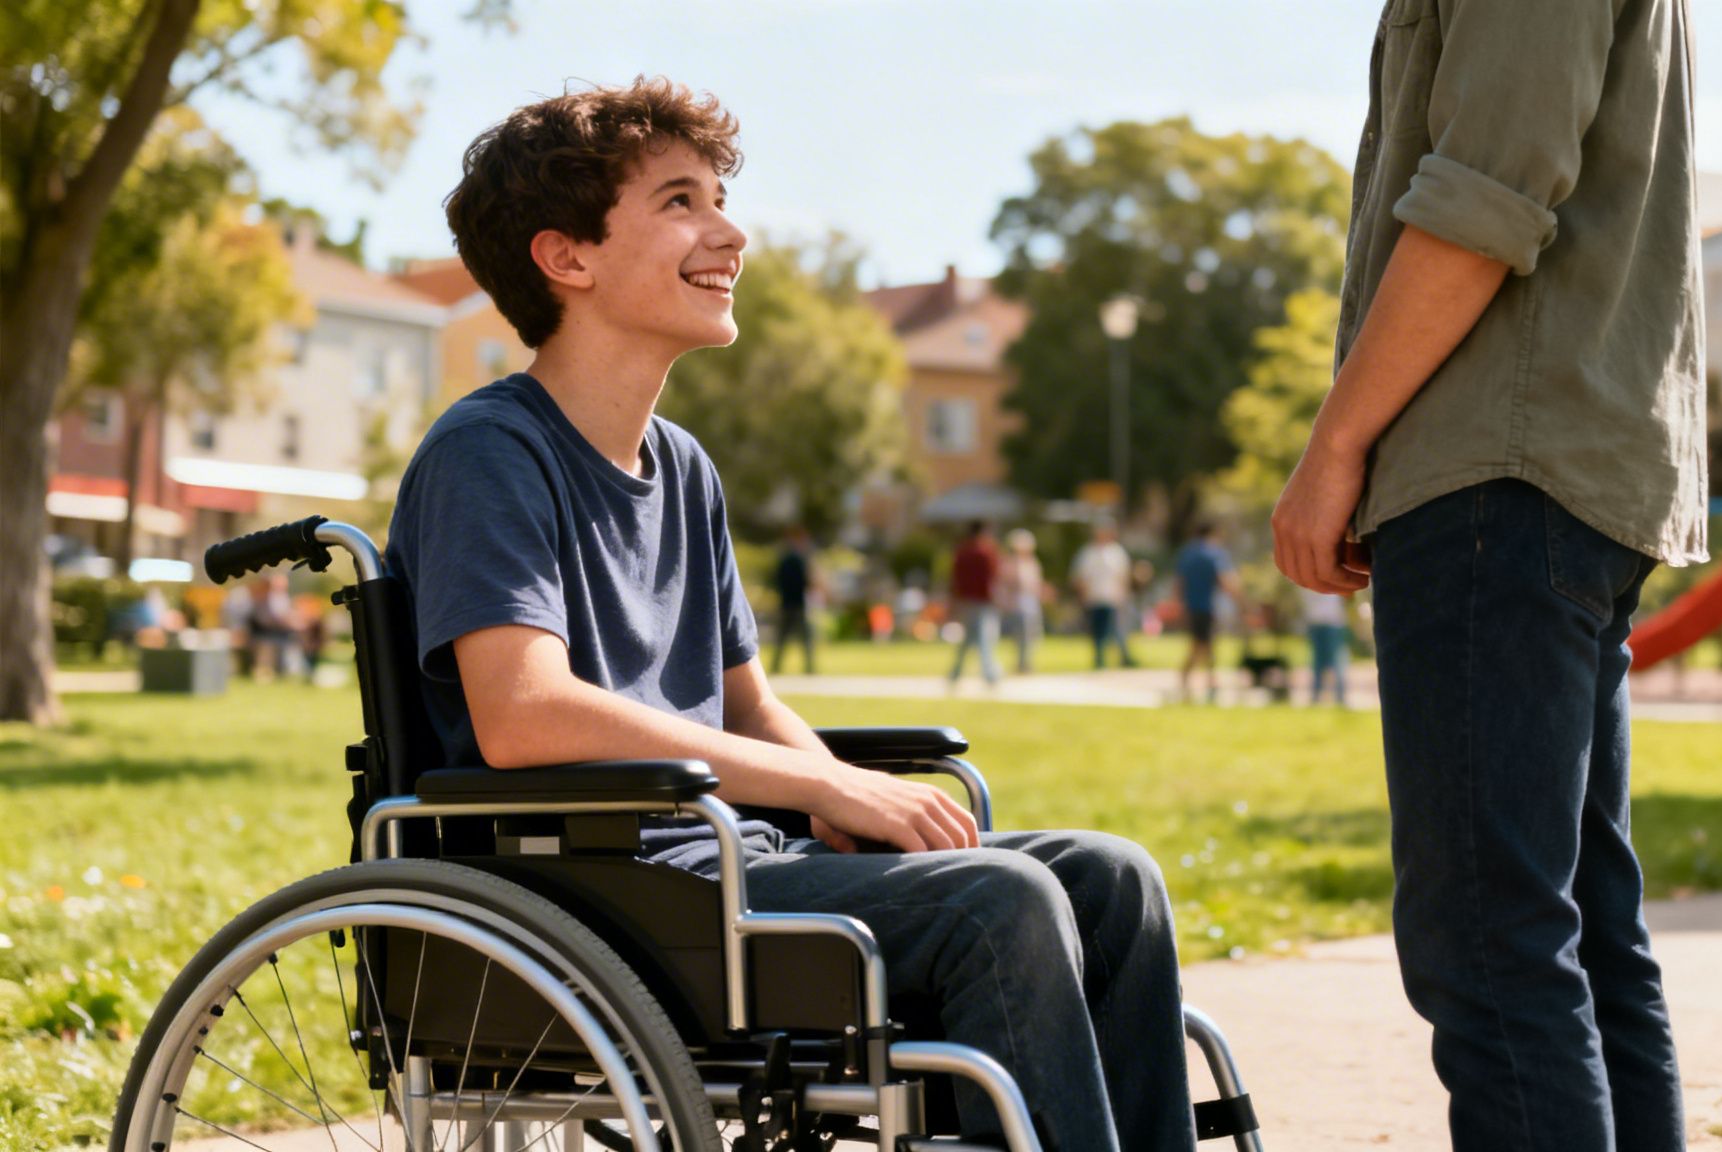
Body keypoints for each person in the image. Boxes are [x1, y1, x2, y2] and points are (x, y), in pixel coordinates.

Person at [385, 79, 1192, 1151]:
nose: (730, 231)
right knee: (999, 905)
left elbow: (746, 706)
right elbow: (523, 714)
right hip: (592, 888)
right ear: (565, 257)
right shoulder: (490, 452)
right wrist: (816, 783)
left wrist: (850, 796)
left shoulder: (681, 469)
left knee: (1108, 880)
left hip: (717, 866)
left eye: (720, 197)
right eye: (681, 201)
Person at [1270, 1, 1704, 1147]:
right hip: (1557, 470)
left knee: (1488, 939)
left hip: (1495, 471)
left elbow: (1483, 200)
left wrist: (1335, 448)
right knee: (1578, 932)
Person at [1173, 523, 1239, 704]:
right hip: (1207, 606)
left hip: (1192, 606)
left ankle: (1205, 683)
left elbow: (1179, 582)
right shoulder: (1214, 553)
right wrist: (1242, 602)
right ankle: (1202, 684)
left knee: (1203, 645)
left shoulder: (1188, 553)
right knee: (1202, 646)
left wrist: (1179, 604)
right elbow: (1225, 580)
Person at [1072, 520, 1139, 670]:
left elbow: (1124, 575)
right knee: (1098, 630)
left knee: (1118, 628)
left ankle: (1124, 656)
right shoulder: (1088, 553)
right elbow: (1080, 577)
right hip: (1095, 597)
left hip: (1114, 597)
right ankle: (1099, 658)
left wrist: (1124, 593)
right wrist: (1082, 596)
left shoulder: (1116, 552)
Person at [946, 520, 1002, 688]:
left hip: (966, 601)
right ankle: (989, 674)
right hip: (983, 601)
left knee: (969, 638)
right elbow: (993, 577)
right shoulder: (986, 552)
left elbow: (955, 579)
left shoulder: (962, 551)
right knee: (985, 637)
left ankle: (955, 672)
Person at [996, 527, 1045, 674]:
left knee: (1032, 635)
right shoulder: (1010, 563)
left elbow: (1036, 584)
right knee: (1020, 636)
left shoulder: (1032, 562)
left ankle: (1026, 663)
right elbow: (1007, 582)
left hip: (1031, 604)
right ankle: (1021, 663)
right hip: (1017, 604)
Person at [770, 525, 817, 675]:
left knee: (782, 639)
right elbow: (805, 582)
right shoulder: (798, 560)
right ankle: (809, 668)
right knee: (805, 638)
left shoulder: (784, 558)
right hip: (797, 605)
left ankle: (776, 666)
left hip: (785, 604)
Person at [1300, 588, 1351, 707]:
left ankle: (1336, 696)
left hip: (1327, 621)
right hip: (1324, 621)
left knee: (1330, 661)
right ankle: (1324, 695)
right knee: (1327, 661)